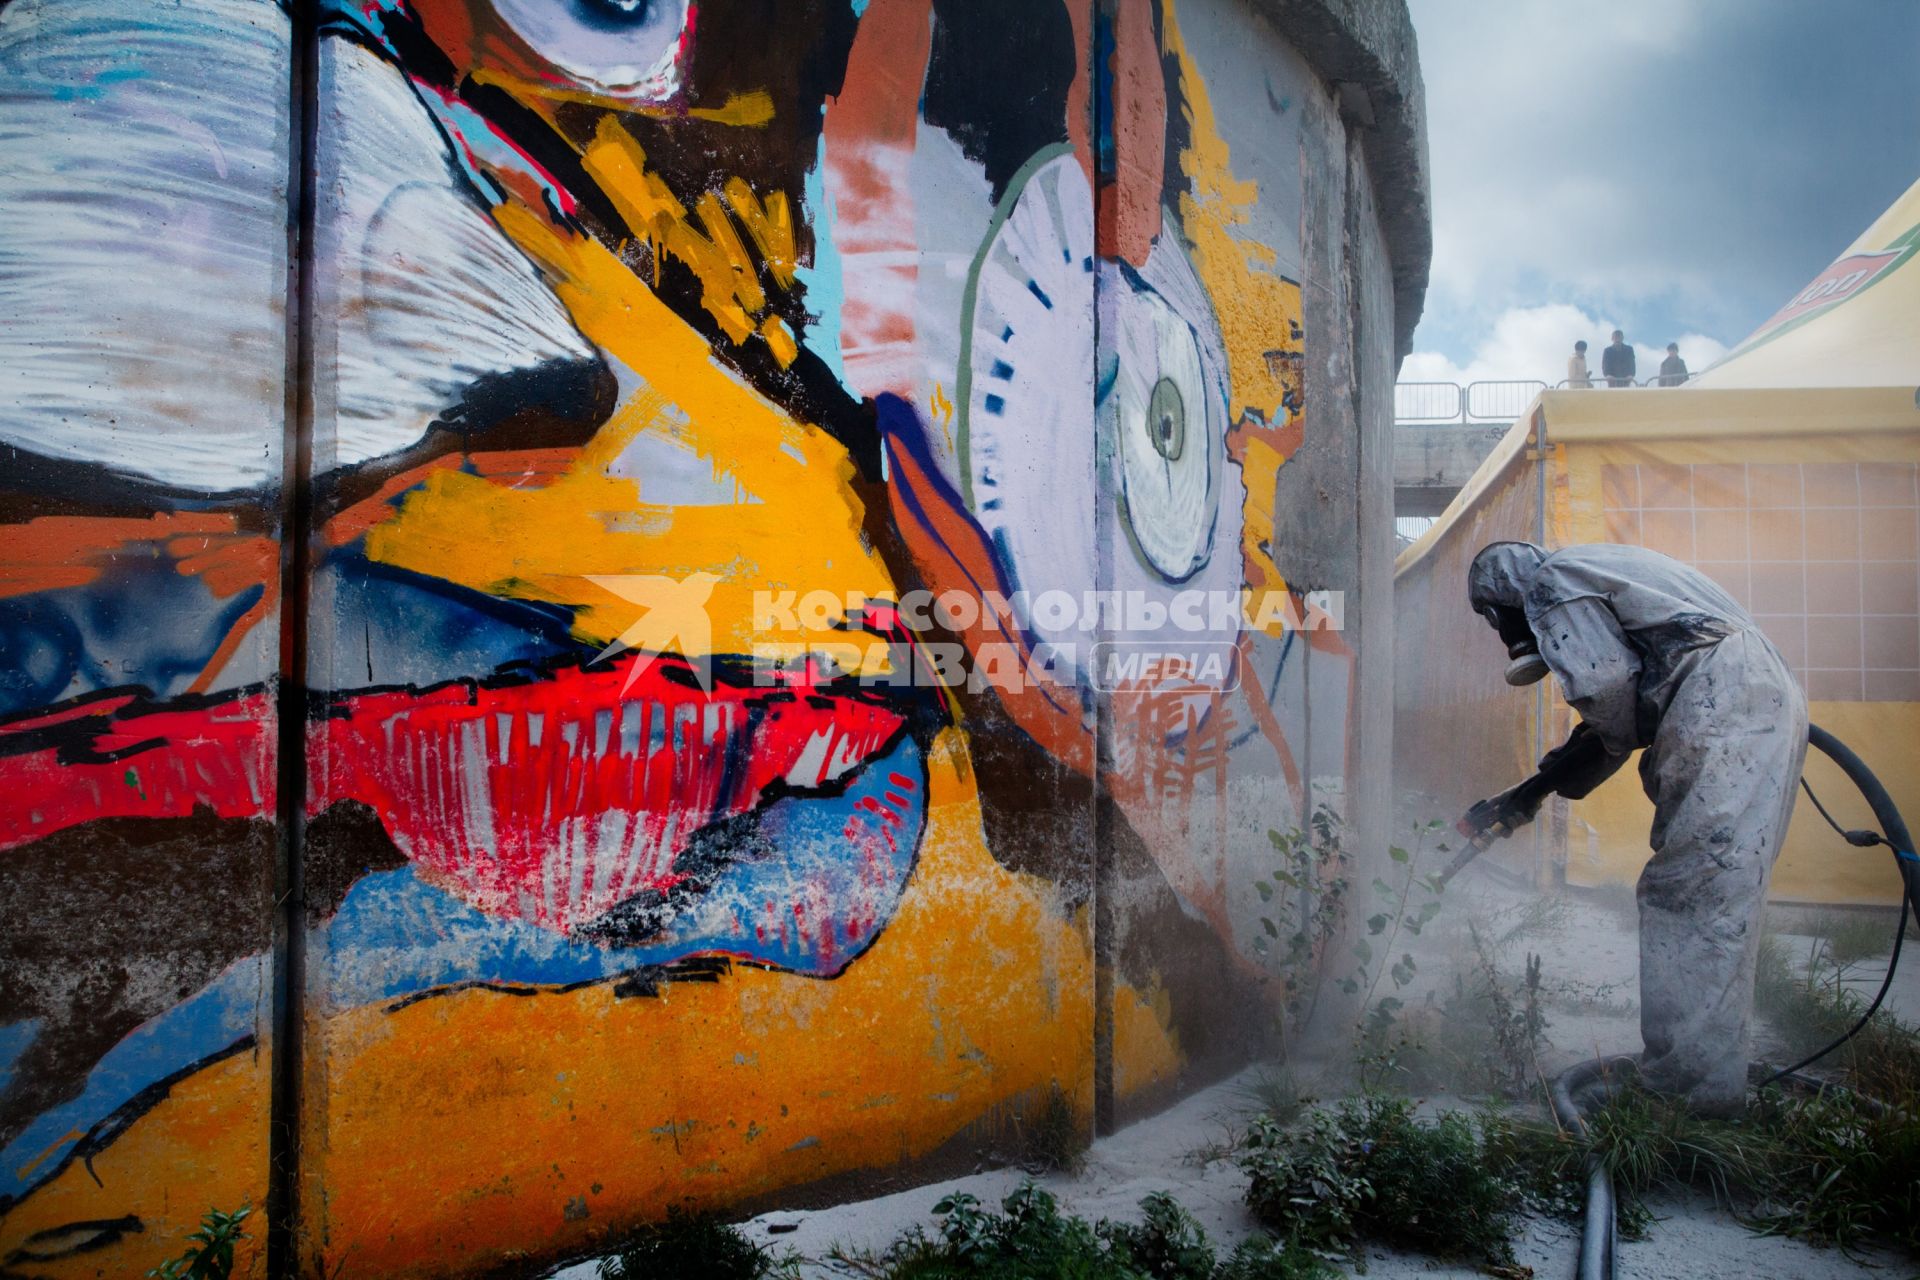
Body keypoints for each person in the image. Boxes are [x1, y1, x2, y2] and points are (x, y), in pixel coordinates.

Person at [1464, 541, 1806, 1115]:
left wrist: (1544, 781)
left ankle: (1686, 1102)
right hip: (1762, 695)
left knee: (1690, 895)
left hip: (1724, 699)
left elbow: (1609, 701)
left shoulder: (1548, 582)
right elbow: (1621, 710)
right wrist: (1528, 793)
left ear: (1502, 604)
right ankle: (1707, 1078)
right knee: (1720, 896)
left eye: (1496, 619)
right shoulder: (1597, 570)